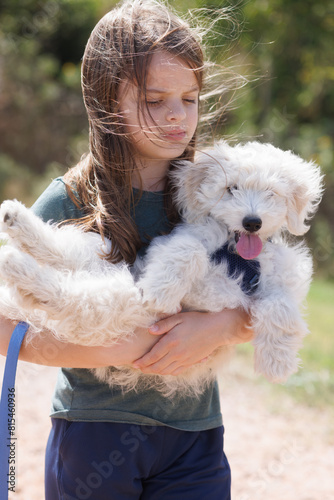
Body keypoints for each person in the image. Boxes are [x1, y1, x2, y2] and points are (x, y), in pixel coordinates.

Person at [0, 1, 253, 498]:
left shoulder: (219, 199)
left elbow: (268, 294)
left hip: (196, 438)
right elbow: (5, 326)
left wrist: (221, 326)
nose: (177, 115)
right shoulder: (69, 200)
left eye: (190, 98)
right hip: (93, 434)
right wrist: (101, 348)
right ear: (104, 101)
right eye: (155, 100)